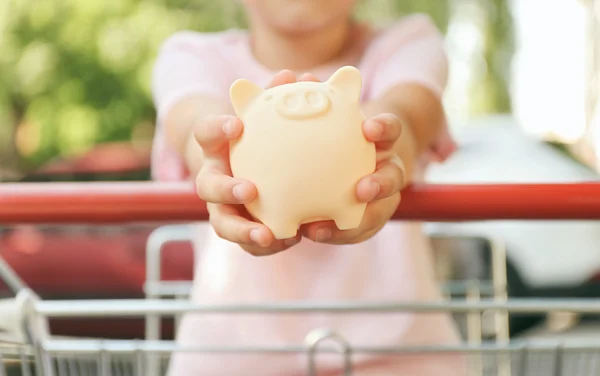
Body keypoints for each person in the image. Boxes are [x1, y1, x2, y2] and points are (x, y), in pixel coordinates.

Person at [151, 0, 465, 375]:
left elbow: (405, 118)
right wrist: (218, 161)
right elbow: (195, 127)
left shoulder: (409, 43)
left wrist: (383, 153)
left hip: (400, 359)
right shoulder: (190, 57)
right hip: (231, 357)